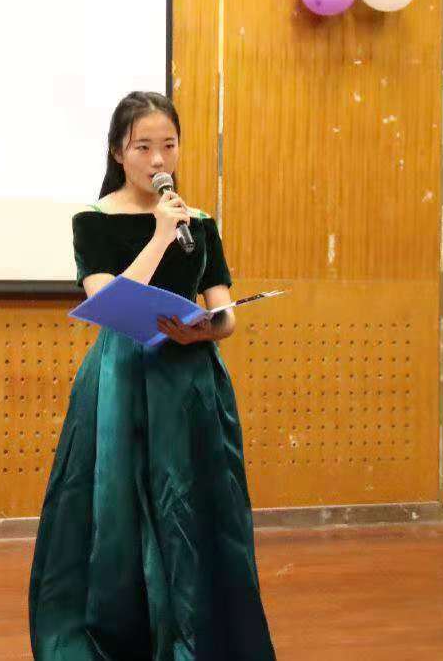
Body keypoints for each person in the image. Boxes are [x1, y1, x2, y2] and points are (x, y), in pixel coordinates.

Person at [29, 90, 277, 660]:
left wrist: (209, 327)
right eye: (143, 147)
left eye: (168, 145)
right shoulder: (93, 221)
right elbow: (105, 301)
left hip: (189, 381)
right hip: (122, 378)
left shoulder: (200, 223)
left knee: (194, 512)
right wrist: (161, 235)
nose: (158, 159)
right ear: (119, 152)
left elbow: (225, 311)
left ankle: (195, 636)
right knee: (117, 513)